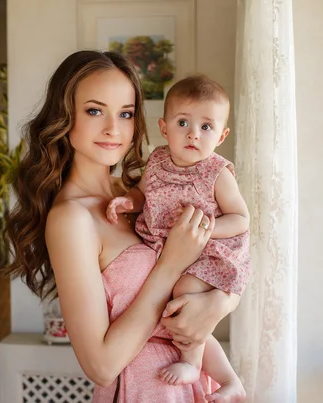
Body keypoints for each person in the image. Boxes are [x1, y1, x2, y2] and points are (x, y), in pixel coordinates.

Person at [5, 50, 244, 402]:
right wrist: (171, 264)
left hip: (193, 385)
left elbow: (224, 255)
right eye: (94, 110)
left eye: (126, 113)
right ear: (63, 116)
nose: (113, 129)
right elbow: (101, 366)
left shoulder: (145, 192)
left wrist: (223, 303)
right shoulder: (71, 219)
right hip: (142, 390)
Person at [106, 75, 250, 390]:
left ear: (221, 135)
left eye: (206, 127)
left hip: (208, 252)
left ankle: (193, 363)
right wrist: (127, 201)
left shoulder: (217, 173)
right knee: (174, 307)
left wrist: (206, 230)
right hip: (169, 249)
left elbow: (240, 218)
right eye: (183, 122)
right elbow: (143, 194)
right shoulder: (157, 160)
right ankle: (229, 380)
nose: (193, 134)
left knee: (185, 296)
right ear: (164, 127)